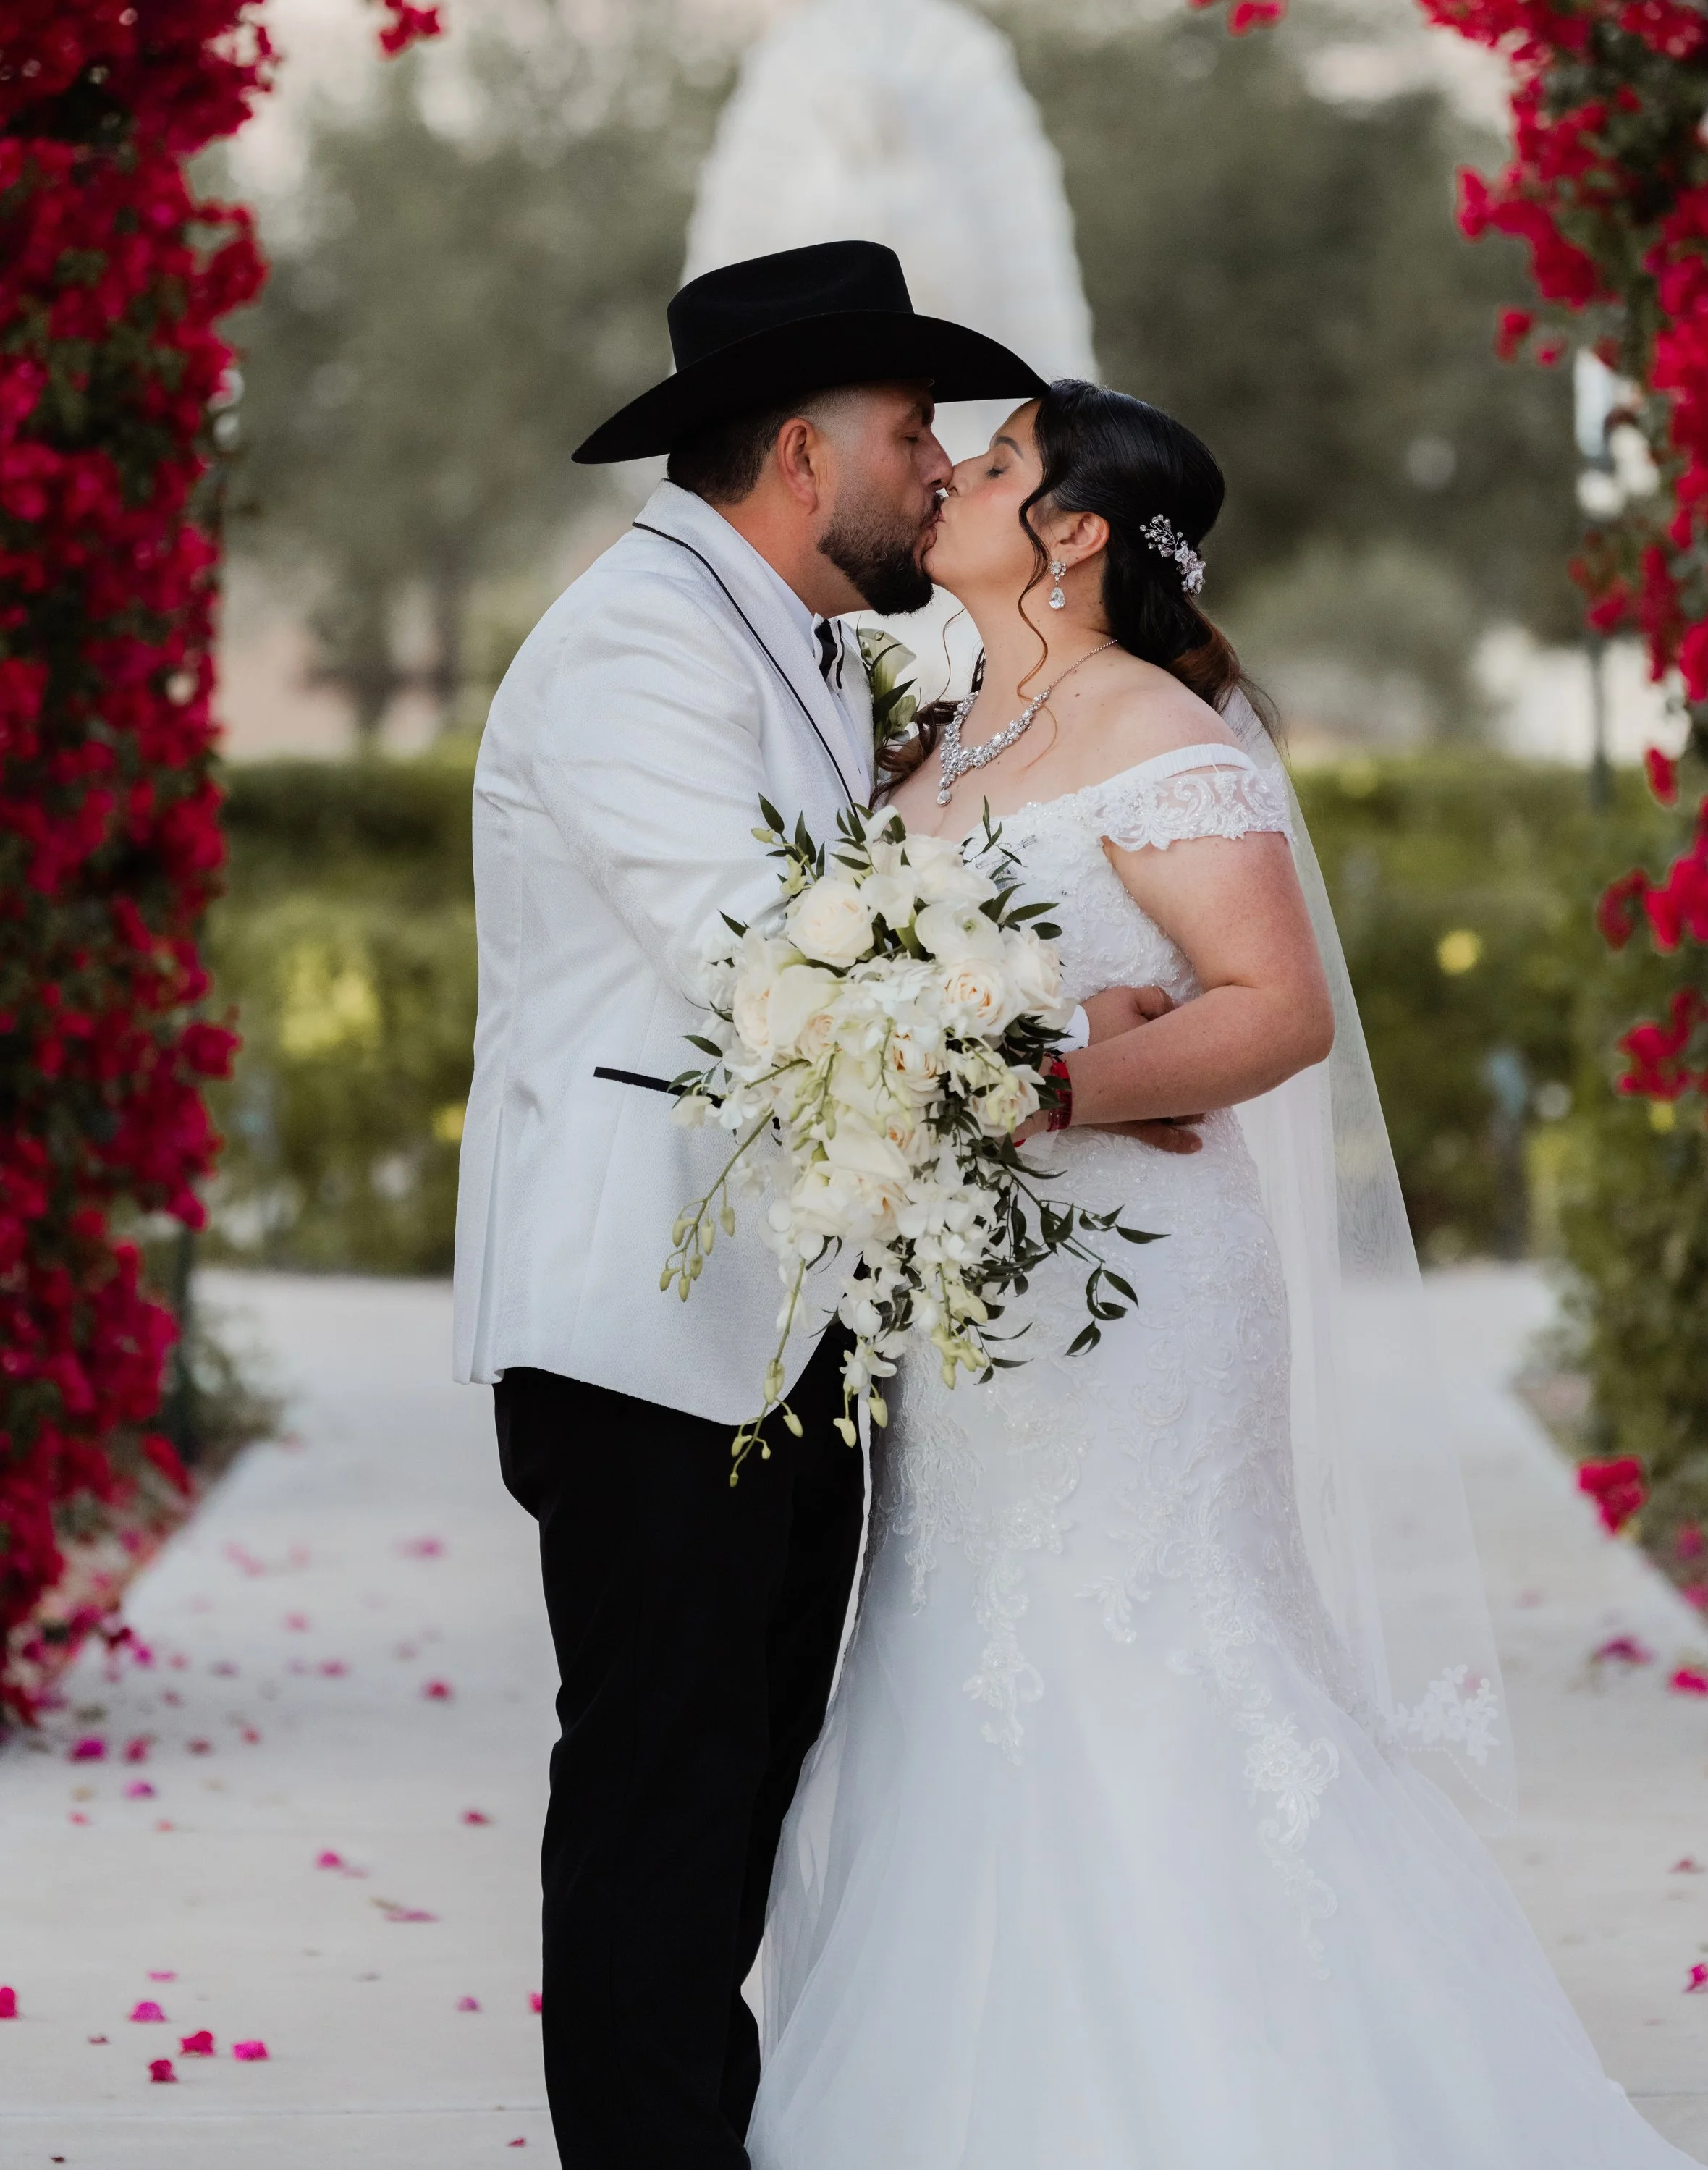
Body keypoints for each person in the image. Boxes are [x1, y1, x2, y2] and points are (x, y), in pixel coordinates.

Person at [748, 379, 1703, 2170]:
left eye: (1001, 461)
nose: (951, 469)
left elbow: (1276, 1010)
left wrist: (1043, 1084)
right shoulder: (943, 735)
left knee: (1154, 1661)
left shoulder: (1148, 730)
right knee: (957, 1664)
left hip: (1136, 1298)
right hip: (974, 1315)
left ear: (1077, 532)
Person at [452, 245, 1192, 2170]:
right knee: (662, 1800)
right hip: (649, 1326)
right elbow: (759, 958)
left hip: (782, 1320)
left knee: (732, 1795)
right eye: (907, 431)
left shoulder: (783, 631)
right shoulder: (634, 642)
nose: (938, 468)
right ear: (801, 450)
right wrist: (1045, 1036)